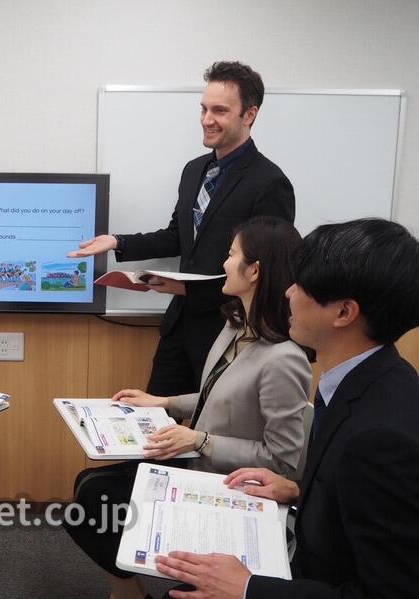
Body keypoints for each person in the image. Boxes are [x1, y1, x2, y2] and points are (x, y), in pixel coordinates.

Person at [155, 218, 419, 599]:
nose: (288, 292)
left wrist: (247, 588)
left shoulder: (381, 438)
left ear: (343, 313)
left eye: (302, 285)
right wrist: (297, 491)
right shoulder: (370, 379)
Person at [64, 217, 311, 599]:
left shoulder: (283, 359)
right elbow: (218, 394)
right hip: (200, 462)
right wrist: (162, 402)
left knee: (94, 501)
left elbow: (282, 463)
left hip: (230, 482)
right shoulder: (234, 326)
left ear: (255, 270)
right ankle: (128, 591)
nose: (223, 264)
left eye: (230, 255)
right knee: (89, 489)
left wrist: (200, 439)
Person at [69, 61, 295, 398]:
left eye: (219, 110)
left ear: (249, 115)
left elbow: (268, 274)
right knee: (154, 425)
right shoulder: (194, 171)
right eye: (203, 109)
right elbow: (178, 235)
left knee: (211, 432)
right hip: (178, 329)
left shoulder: (269, 182)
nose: (207, 119)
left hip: (230, 335)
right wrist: (118, 241)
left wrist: (189, 291)